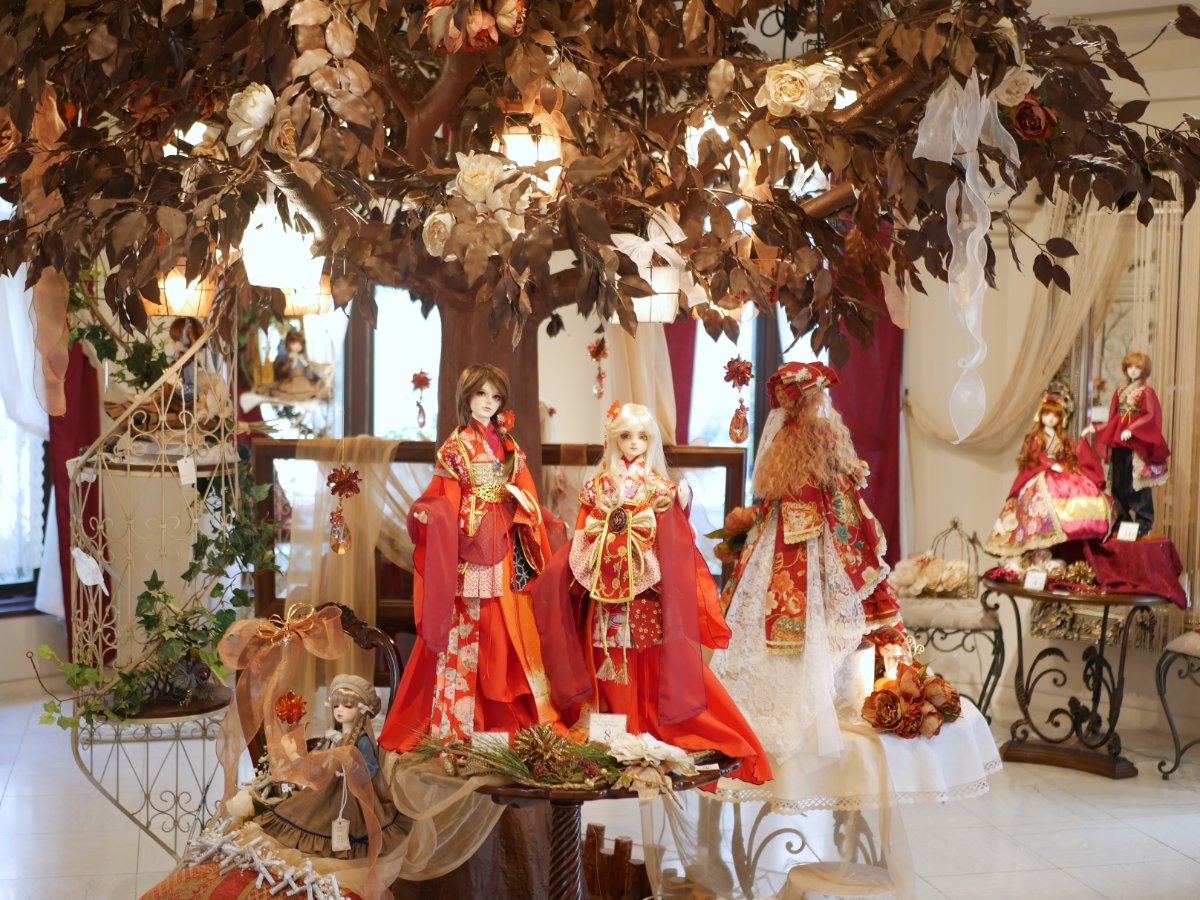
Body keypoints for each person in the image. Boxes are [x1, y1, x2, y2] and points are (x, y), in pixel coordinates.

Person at [533, 403, 770, 783]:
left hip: (644, 581)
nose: (634, 444)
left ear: (651, 441)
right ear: (614, 439)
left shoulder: (659, 487)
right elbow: (586, 526)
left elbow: (673, 534)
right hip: (604, 578)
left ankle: (640, 722)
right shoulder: (599, 485)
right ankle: (609, 724)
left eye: (642, 437)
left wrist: (681, 507)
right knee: (603, 651)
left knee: (643, 655)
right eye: (626, 436)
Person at [709, 361, 902, 768]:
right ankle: (814, 697)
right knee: (810, 603)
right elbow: (834, 487)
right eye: (819, 397)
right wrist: (848, 478)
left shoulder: (786, 439)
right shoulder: (817, 436)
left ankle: (803, 694)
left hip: (789, 535)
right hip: (810, 536)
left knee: (787, 604)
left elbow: (786, 490)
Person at [378, 364, 561, 751]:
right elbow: (443, 497)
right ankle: (463, 722)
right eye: (481, 394)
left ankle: (505, 717)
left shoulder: (507, 444)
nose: (488, 403)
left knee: (506, 628)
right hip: (471, 544)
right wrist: (433, 517)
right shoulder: (456, 445)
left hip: (505, 542)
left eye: (495, 397)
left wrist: (536, 515)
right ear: (467, 397)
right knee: (470, 627)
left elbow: (525, 489)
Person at [255, 675, 407, 859]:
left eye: (348, 706)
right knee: (300, 810)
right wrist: (294, 755)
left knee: (343, 824)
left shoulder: (362, 740)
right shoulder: (331, 737)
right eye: (336, 706)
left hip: (351, 796)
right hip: (326, 788)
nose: (340, 710)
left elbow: (370, 771)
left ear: (362, 710)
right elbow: (316, 767)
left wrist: (348, 760)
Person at [985, 393, 1113, 556]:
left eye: (1055, 415)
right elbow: (1035, 455)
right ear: (1041, 415)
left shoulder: (1060, 437)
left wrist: (1081, 439)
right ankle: (1041, 539)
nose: (1051, 418)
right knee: (1040, 500)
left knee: (1078, 490)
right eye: (1047, 414)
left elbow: (1071, 453)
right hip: (1042, 473)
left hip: (1061, 471)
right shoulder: (1037, 437)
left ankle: (1075, 530)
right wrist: (1051, 465)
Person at [1092, 351, 1169, 536]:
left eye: (1137, 367)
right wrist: (1096, 428)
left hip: (1136, 444)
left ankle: (1144, 522)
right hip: (1119, 442)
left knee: (1137, 484)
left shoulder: (1146, 392)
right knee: (1118, 484)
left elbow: (1150, 415)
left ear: (1144, 370)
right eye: (1130, 367)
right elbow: (1113, 418)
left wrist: (1132, 429)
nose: (1133, 370)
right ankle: (1121, 519)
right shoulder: (1119, 391)